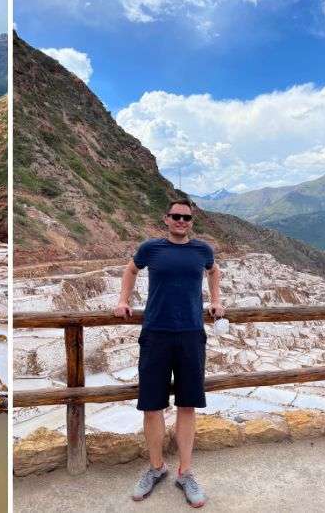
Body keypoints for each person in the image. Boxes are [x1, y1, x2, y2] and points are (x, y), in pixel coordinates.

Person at [113, 198, 224, 508]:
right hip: (156, 334)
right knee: (152, 406)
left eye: (186, 217)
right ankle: (156, 468)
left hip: (190, 335)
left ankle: (185, 473)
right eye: (176, 216)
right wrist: (123, 300)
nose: (181, 221)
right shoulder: (151, 248)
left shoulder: (202, 250)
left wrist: (216, 300)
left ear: (192, 221)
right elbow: (130, 270)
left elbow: (214, 271)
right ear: (166, 219)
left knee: (188, 405)